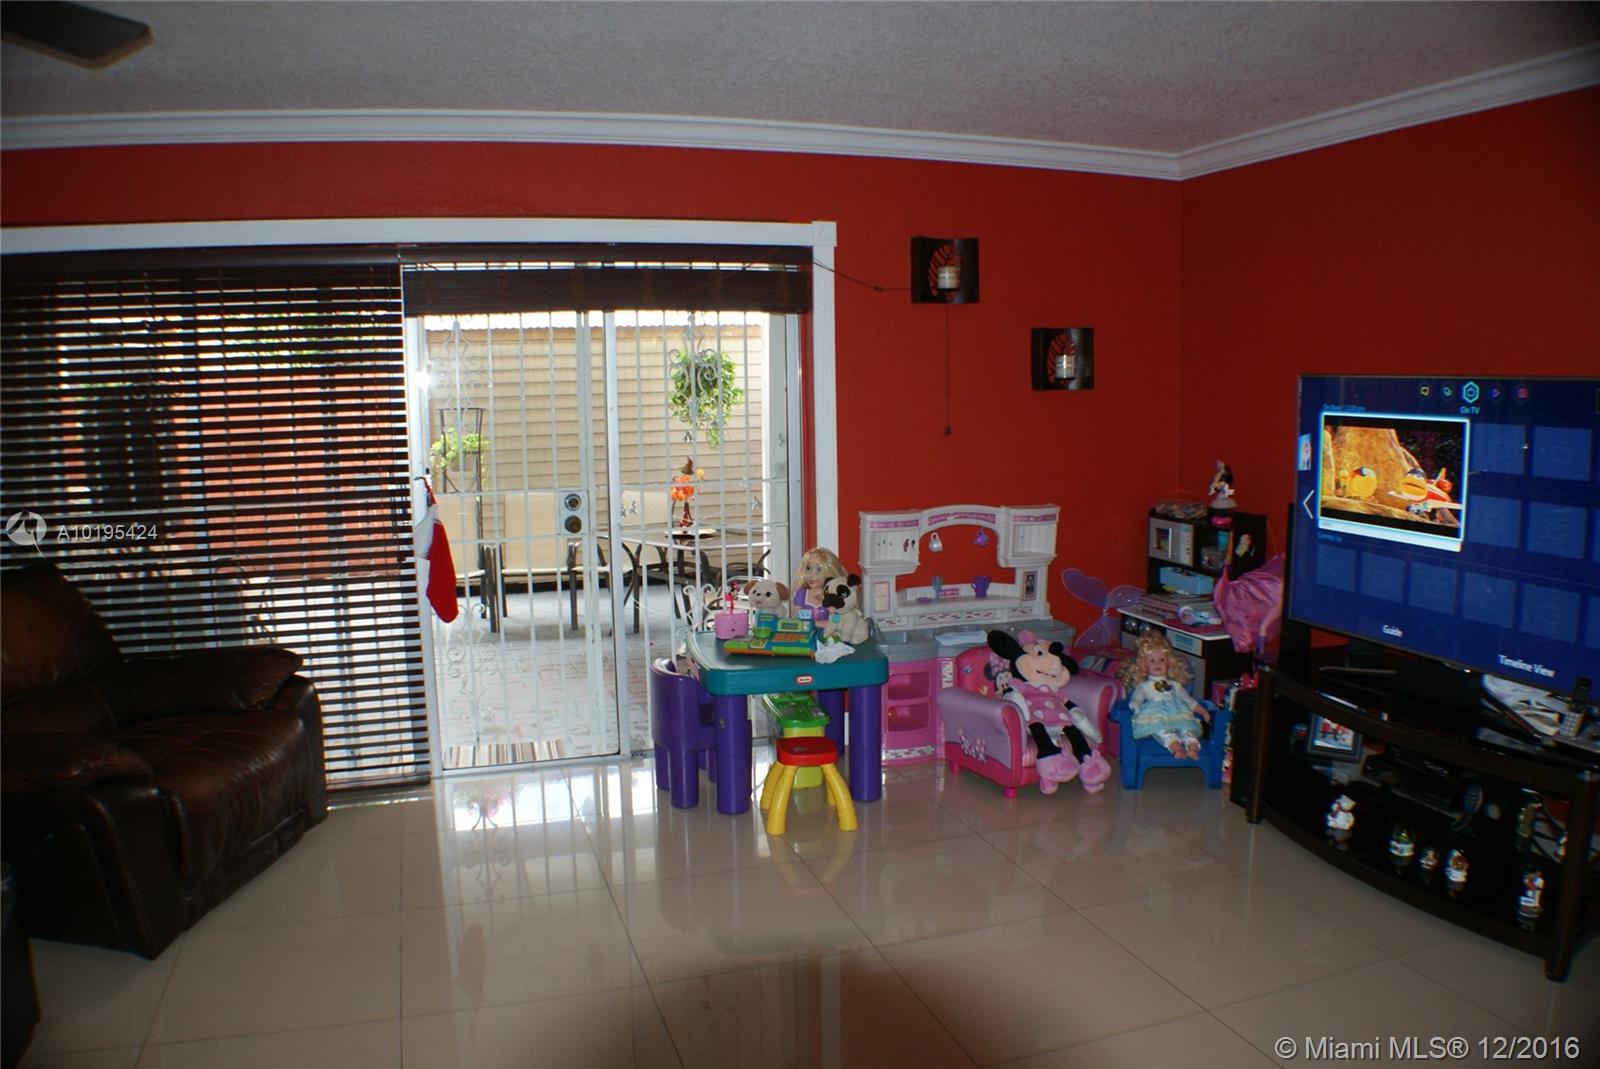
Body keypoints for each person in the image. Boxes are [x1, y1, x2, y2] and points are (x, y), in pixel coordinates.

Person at [1118, 631, 1210, 759]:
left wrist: (1201, 710)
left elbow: (1187, 698)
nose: (1158, 663)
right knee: (1161, 731)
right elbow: (1137, 698)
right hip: (1156, 715)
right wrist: (1135, 705)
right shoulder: (1144, 686)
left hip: (1178, 713)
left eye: (1162, 660)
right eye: (1152, 660)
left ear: (1169, 663)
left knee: (1187, 729)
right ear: (1144, 666)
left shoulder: (1175, 685)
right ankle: (1176, 748)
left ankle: (1192, 747)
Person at [791, 546, 847, 616]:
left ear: (830, 571)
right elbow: (796, 616)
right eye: (808, 568)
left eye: (818, 569)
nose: (811, 575)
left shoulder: (833, 596)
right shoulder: (802, 594)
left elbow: (836, 619)